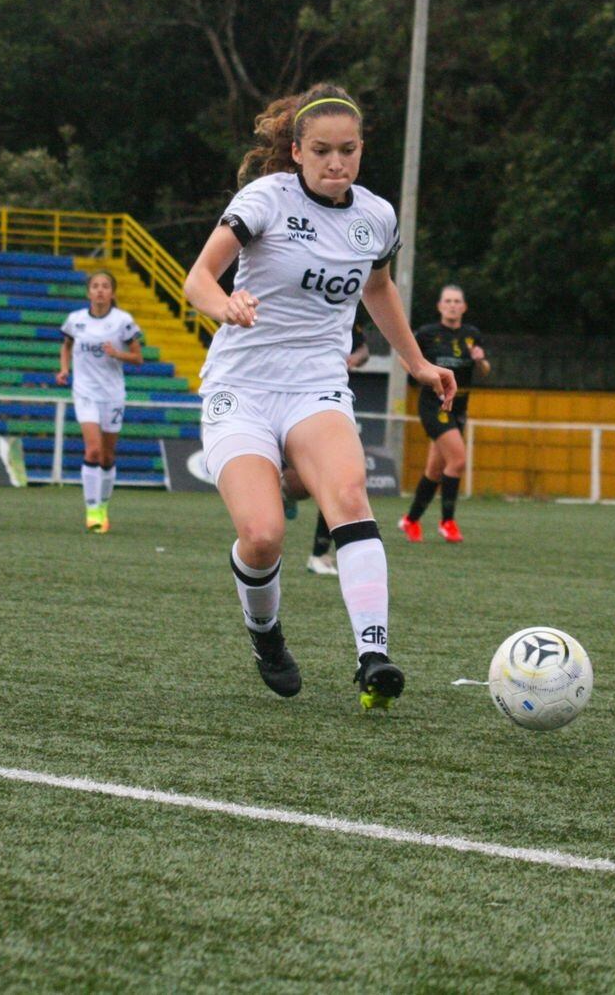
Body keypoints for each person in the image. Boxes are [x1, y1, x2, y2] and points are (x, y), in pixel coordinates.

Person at [182, 83, 456, 710]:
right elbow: (198, 276)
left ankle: (373, 655)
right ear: (298, 152)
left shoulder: (376, 216)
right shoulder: (264, 200)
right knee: (263, 536)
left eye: (349, 151)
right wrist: (225, 304)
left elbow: (378, 289)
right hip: (241, 389)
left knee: (350, 496)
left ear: (362, 151)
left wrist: (416, 363)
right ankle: (265, 634)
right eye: (323, 151)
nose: (337, 163)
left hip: (316, 386)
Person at [398, 285, 489, 543]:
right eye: (447, 301)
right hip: (434, 405)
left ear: (464, 307)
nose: (452, 305)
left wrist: (480, 360)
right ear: (440, 306)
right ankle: (447, 522)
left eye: (457, 301)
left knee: (435, 470)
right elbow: (406, 357)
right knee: (458, 460)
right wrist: (420, 374)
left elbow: (484, 371)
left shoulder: (472, 335)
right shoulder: (427, 334)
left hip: (459, 407)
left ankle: (410, 520)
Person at [57, 271, 143, 533]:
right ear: (88, 292)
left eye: (106, 286)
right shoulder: (76, 320)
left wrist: (116, 353)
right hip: (85, 392)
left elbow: (138, 358)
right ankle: (92, 509)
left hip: (113, 394)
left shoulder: (122, 321)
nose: (100, 291)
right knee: (92, 450)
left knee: (107, 455)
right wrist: (64, 369)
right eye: (95, 286)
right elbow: (67, 346)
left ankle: (103, 506)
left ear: (112, 292)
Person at [284, 320, 373, 576]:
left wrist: (354, 359)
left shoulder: (339, 302)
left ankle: (320, 554)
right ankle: (284, 491)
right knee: (296, 486)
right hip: (279, 399)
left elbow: (363, 349)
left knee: (338, 478)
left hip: (328, 402)